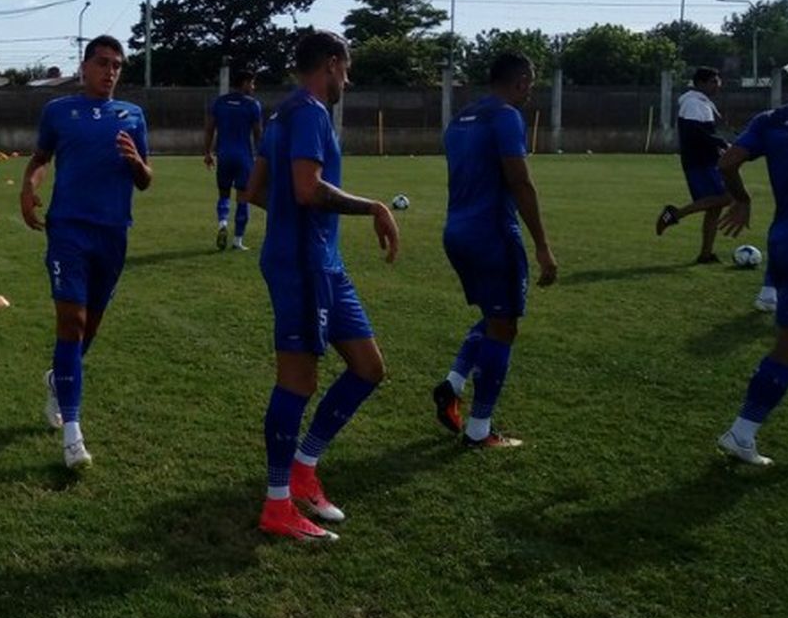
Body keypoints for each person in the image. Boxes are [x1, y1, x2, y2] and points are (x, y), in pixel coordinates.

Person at [241, 30, 399, 542]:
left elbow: (256, 190)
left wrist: (292, 215)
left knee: (368, 367)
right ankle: (277, 503)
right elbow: (307, 190)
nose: (347, 81)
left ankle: (305, 467)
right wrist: (372, 206)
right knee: (298, 380)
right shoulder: (307, 112)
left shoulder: (281, 113)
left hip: (322, 262)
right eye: (346, 70)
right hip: (303, 264)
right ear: (331, 64)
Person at [20, 36, 152, 471]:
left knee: (89, 325)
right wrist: (28, 188)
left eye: (117, 65)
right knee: (71, 322)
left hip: (113, 233)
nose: (110, 71)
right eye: (102, 63)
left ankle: (57, 379)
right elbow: (41, 157)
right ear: (85, 66)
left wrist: (136, 162)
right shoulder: (59, 111)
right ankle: (73, 434)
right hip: (68, 229)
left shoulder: (133, 116)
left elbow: (146, 179)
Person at [431, 53, 558, 449]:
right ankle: (479, 430)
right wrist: (542, 246)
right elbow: (520, 182)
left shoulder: (461, 119)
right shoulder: (505, 116)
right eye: (530, 82)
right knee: (504, 327)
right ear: (519, 81)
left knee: (492, 317)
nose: (531, 90)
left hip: (457, 232)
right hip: (492, 235)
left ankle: (452, 385)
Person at [712, 39, 788, 466]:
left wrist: (741, 200)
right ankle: (742, 432)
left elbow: (727, 162)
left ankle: (743, 432)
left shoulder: (773, 119)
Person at [656, 67, 732, 263]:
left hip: (707, 159)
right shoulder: (693, 103)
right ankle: (674, 214)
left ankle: (705, 254)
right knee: (725, 197)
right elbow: (695, 133)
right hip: (700, 161)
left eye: (718, 81)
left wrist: (718, 147)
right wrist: (721, 144)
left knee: (715, 207)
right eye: (714, 81)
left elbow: (703, 133)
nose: (718, 85)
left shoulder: (700, 103)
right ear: (701, 83)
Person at [204, 69, 264, 251]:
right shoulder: (252, 105)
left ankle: (222, 223)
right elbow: (258, 134)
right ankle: (238, 240)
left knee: (223, 194)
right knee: (243, 197)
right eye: (252, 83)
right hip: (243, 157)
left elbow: (209, 130)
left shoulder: (218, 103)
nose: (253, 87)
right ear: (244, 83)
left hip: (224, 156)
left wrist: (208, 152)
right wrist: (263, 156)